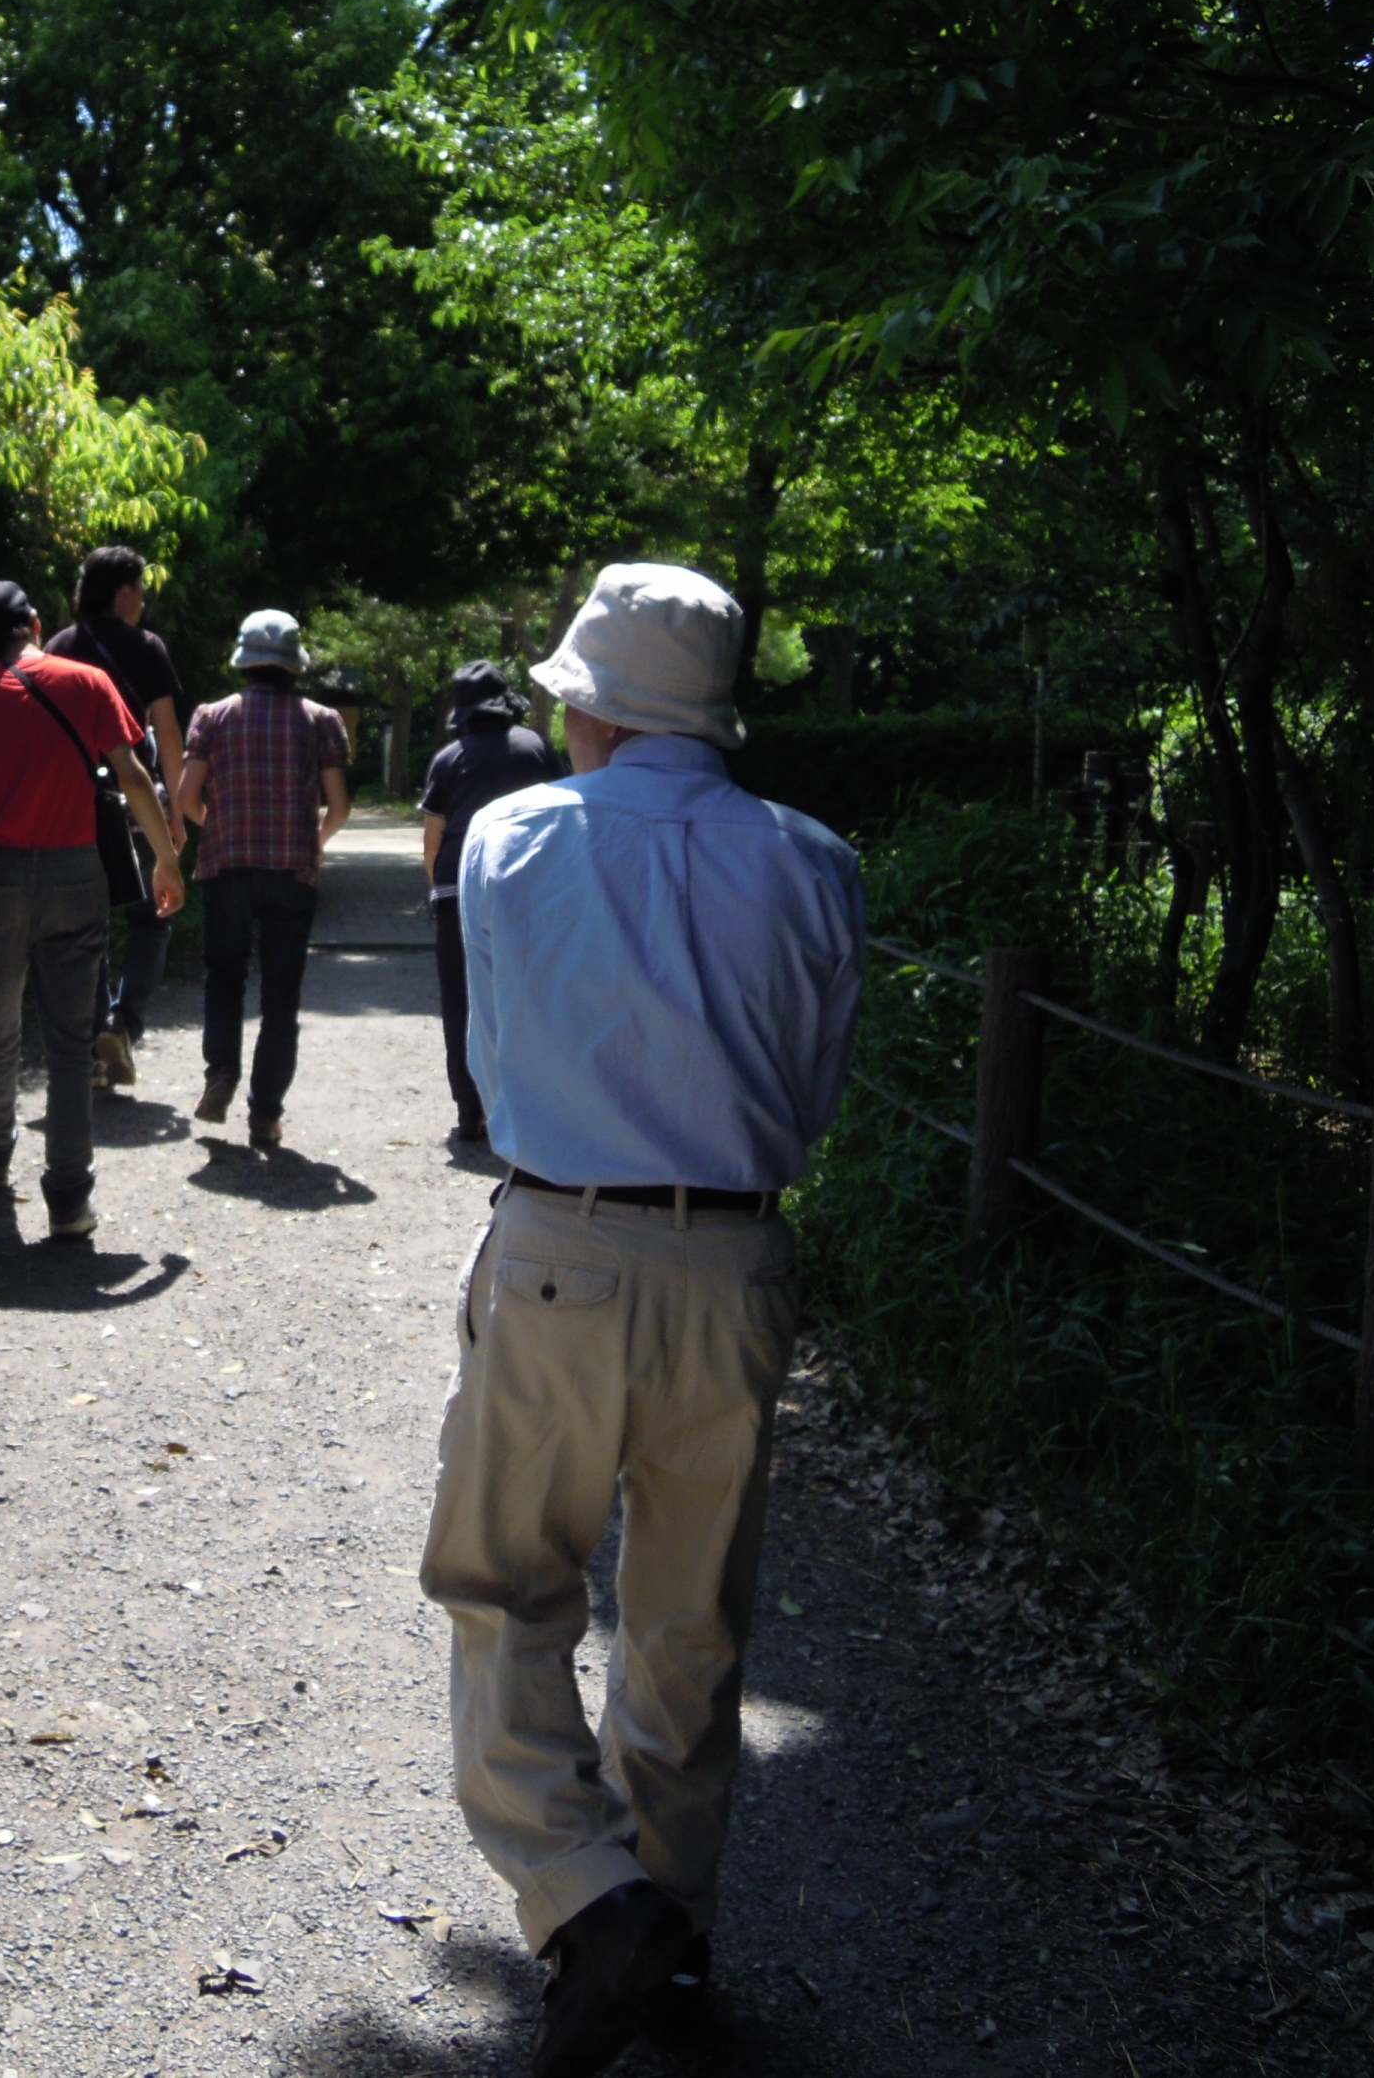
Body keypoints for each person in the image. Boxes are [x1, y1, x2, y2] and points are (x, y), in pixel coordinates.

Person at [417, 565, 862, 2078]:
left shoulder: (511, 836)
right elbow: (811, 1087)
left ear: (593, 703)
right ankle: (662, 1938)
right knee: (686, 1623)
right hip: (736, 1254)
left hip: (558, 1241)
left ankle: (590, 1899)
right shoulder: (812, 860)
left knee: (504, 1587)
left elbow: (488, 1048)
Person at [0, 579, 184, 1239]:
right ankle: (69, 1197)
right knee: (72, 1042)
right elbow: (131, 776)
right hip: (77, 870)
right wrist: (165, 858)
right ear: (35, 622)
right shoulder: (87, 683)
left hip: (0, 872)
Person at [172, 608, 351, 1151]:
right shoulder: (321, 719)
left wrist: (221, 826)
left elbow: (185, 798)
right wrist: (309, 845)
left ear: (244, 662)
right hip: (291, 873)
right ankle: (265, 1115)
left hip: (226, 866)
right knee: (281, 995)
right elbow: (338, 806)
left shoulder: (212, 715)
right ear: (294, 665)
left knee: (223, 975)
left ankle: (220, 1072)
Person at [40, 544, 188, 1088]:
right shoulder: (146, 647)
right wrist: (175, 809)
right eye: (141, 590)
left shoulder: (56, 647)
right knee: (154, 918)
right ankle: (124, 1024)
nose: (144, 602)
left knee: (90, 919)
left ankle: (102, 1026)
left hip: (77, 803)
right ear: (124, 592)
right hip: (135, 798)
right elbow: (168, 733)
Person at [419, 660, 559, 1147]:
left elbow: (432, 840)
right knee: (525, 998)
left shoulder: (448, 758)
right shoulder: (536, 748)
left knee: (461, 1001)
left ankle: (469, 1115)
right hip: (527, 888)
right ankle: (528, 1109)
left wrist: (436, 889)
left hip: (458, 887)